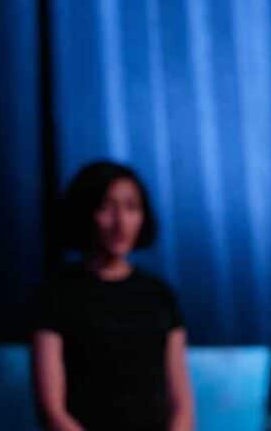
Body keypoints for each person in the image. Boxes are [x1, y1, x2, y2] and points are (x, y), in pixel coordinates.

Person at [32, 161, 194, 431]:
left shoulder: (159, 295)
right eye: (106, 208)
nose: (121, 223)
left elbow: (182, 406)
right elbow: (53, 411)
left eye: (131, 208)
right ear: (85, 212)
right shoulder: (55, 295)